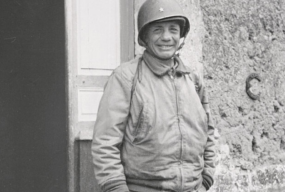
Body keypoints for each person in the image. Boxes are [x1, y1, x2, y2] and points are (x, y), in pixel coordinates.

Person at [92, 0, 216, 191]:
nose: (166, 37)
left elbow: (208, 133)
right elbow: (105, 143)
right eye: (158, 30)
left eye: (173, 30)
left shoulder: (193, 80)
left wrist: (206, 178)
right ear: (145, 37)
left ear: (181, 36)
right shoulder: (125, 78)